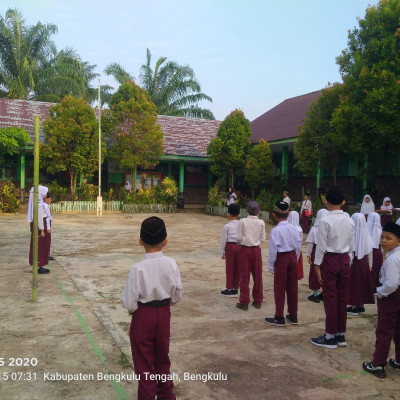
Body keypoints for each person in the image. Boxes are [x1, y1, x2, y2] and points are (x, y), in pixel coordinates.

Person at [120, 216, 182, 400]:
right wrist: (164, 305)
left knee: (144, 363)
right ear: (165, 241)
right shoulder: (171, 263)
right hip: (163, 313)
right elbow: (177, 293)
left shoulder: (137, 268)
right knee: (162, 357)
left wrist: (134, 311)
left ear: (140, 241)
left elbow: (129, 301)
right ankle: (166, 395)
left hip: (143, 314)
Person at [310, 185, 355, 349]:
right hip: (344, 259)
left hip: (329, 259)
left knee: (330, 297)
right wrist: (348, 260)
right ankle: (340, 334)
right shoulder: (350, 220)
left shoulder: (325, 220)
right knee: (342, 297)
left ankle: (329, 336)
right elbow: (351, 245)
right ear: (343, 202)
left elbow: (321, 246)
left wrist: (317, 265)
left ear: (326, 202)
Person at [362, 222, 400, 379]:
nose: (384, 240)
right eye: (382, 237)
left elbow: (391, 283)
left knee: (384, 330)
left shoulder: (392, 259)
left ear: (398, 241)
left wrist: (380, 293)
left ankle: (378, 364)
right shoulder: (395, 254)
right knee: (398, 329)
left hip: (391, 296)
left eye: (389, 238)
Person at [265, 202, 302, 326]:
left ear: (274, 215)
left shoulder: (276, 230)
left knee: (279, 287)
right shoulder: (293, 228)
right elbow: (298, 246)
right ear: (288, 214)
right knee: (292, 287)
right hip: (292, 256)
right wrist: (295, 259)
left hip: (281, 258)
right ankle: (293, 315)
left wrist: (271, 266)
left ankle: (279, 316)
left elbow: (272, 251)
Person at [236, 201, 266, 310]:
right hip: (256, 250)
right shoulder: (261, 222)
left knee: (244, 276)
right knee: (258, 276)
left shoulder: (242, 221)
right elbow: (263, 239)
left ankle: (244, 302)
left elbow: (238, 238)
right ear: (258, 211)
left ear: (247, 210)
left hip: (244, 250)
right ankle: (258, 301)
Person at [347, 213, 375, 316]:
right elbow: (370, 253)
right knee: (363, 284)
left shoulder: (351, 235)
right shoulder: (367, 235)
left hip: (354, 265)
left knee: (354, 285)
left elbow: (350, 253)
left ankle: (354, 307)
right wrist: (370, 266)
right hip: (365, 264)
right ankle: (361, 306)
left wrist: (347, 266)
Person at [306, 208, 329, 303]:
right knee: (325, 271)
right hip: (327, 253)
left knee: (315, 271)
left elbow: (310, 243)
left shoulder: (314, 229)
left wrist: (308, 255)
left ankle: (315, 294)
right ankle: (324, 293)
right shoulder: (329, 228)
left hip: (316, 251)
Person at [220, 203, 241, 297]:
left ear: (228, 214)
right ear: (239, 214)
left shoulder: (226, 226)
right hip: (239, 246)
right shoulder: (241, 224)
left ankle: (229, 288)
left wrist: (222, 252)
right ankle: (235, 288)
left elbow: (223, 240)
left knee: (229, 268)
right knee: (238, 268)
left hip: (230, 247)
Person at [27, 185, 50, 274]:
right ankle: (39, 266)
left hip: (37, 226)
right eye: (45, 193)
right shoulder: (39, 204)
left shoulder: (35, 203)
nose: (46, 195)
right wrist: (42, 230)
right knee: (40, 246)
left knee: (36, 245)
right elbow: (40, 218)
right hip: (40, 226)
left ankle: (37, 265)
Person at [367, 212, 384, 290]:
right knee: (376, 268)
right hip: (377, 252)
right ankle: (375, 285)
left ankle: (369, 285)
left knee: (371, 268)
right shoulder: (380, 230)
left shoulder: (365, 229)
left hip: (367, 252)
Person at [287, 210, 304, 280]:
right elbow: (300, 241)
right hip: (296, 252)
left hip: (287, 252)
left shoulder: (286, 228)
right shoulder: (299, 229)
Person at [43, 192, 54, 261]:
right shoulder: (44, 206)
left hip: (47, 224)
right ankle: (45, 255)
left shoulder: (45, 205)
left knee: (48, 241)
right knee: (46, 241)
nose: (51, 200)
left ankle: (47, 254)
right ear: (46, 199)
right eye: (50, 198)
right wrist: (48, 228)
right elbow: (47, 218)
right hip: (46, 225)